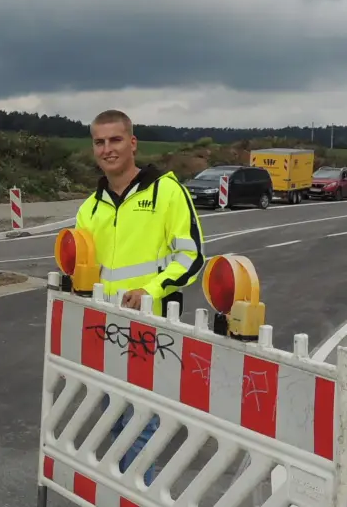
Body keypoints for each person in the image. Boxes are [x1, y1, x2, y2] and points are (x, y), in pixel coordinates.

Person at [74, 109, 205, 485]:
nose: (107, 149)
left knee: (140, 428)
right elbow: (81, 270)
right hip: (104, 332)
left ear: (133, 143)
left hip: (151, 329)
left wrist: (150, 290)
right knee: (112, 425)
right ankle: (122, 493)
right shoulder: (90, 208)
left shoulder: (166, 192)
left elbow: (191, 256)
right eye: (99, 142)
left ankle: (135, 496)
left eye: (115, 140)